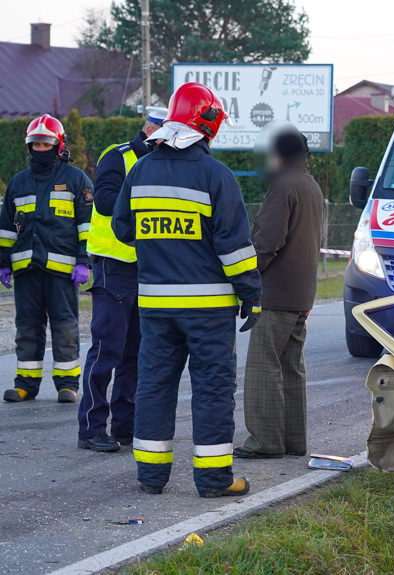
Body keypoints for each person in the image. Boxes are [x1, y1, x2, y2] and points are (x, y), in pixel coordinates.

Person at [113, 83, 261, 497]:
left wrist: (161, 247)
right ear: (207, 122)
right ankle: (214, 480)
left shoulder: (140, 170)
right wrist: (251, 295)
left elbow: (123, 229)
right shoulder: (216, 176)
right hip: (209, 309)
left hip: (156, 306)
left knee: (155, 385)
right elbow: (234, 248)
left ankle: (151, 476)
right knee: (212, 389)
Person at [77, 106, 168, 453]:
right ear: (150, 129)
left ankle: (126, 426)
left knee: (136, 353)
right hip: (114, 266)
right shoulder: (118, 156)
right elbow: (102, 202)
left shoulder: (161, 162)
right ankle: (91, 429)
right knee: (106, 351)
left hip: (144, 268)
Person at [234, 123, 323, 459]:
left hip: (275, 293)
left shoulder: (283, 186)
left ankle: (265, 441)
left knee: (262, 368)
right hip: (302, 293)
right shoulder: (310, 186)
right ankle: (293, 440)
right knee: (291, 367)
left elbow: (267, 241)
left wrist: (246, 276)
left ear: (278, 155)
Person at [0, 115, 93, 404]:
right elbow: (5, 227)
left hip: (63, 272)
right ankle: (26, 384)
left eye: (46, 144)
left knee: (64, 327)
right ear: (29, 147)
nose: (41, 149)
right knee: (26, 327)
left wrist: (84, 261)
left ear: (58, 145)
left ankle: (67, 384)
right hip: (26, 269)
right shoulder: (19, 182)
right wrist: (3, 261)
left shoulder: (76, 180)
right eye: (35, 144)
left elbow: (88, 226)